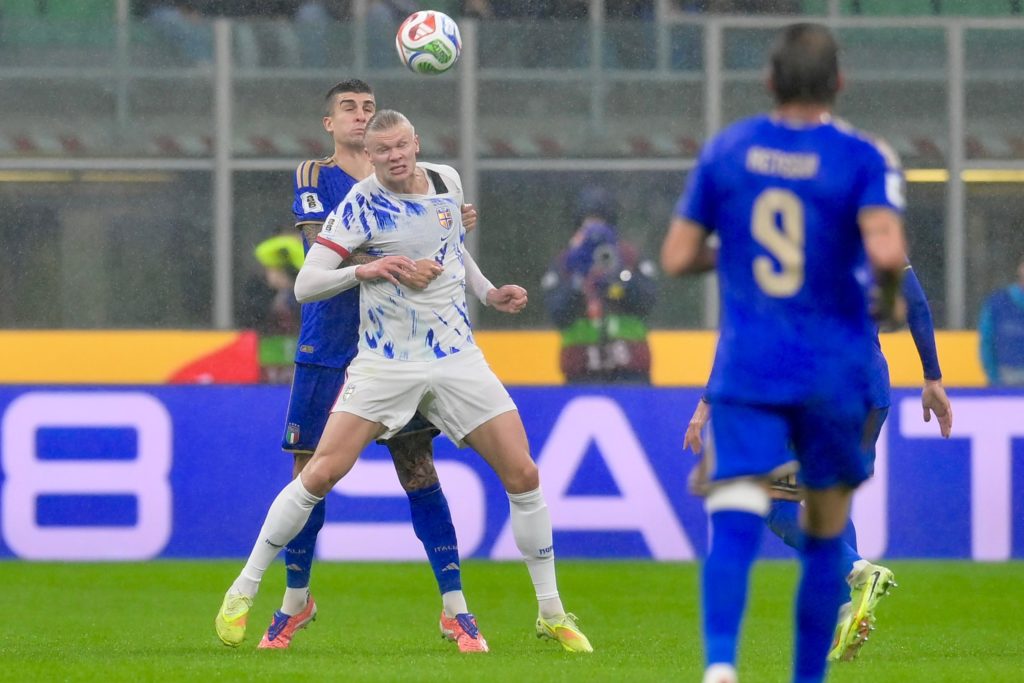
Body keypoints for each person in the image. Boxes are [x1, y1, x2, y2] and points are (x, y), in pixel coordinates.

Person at [216, 108, 593, 655]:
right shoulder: (359, 204)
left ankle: (551, 612)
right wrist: (370, 268)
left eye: (401, 145)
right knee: (319, 473)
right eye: (383, 150)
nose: (394, 156)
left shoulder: (446, 181)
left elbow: (451, 249)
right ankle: (243, 589)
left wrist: (488, 293)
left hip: (457, 357)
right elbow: (306, 284)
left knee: (524, 472)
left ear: (416, 143)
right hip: (386, 363)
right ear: (369, 157)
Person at [660, 23, 909, 683]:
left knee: (736, 507)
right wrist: (884, 298)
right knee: (825, 526)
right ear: (839, 83)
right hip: (833, 370)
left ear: (768, 80)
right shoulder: (863, 156)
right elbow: (887, 252)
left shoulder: (729, 149)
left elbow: (678, 256)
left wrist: (738, 252)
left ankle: (720, 664)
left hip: (753, 366)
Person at [228, 79, 477, 652]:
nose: (361, 116)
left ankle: (455, 608)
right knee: (308, 474)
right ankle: (295, 600)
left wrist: (444, 223)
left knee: (418, 468)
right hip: (330, 340)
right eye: (349, 108)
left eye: (368, 107)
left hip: (399, 344)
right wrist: (403, 251)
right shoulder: (316, 175)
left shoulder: (414, 180)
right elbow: (320, 242)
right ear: (329, 123)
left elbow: (440, 240)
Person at [683, 261, 953, 663]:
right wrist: (932, 378)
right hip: (870, 390)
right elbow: (913, 300)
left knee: (770, 498)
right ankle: (847, 616)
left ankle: (859, 571)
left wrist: (708, 400)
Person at [541, 186, 657, 384]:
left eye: (601, 225)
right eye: (588, 226)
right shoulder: (566, 262)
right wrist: (578, 278)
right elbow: (557, 312)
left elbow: (647, 302)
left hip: (630, 372)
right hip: (581, 372)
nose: (594, 234)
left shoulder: (629, 256)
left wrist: (620, 278)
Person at [978, 254, 1024, 386]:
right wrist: (995, 379)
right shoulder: (998, 303)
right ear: (1020, 268)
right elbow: (987, 342)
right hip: (1005, 378)